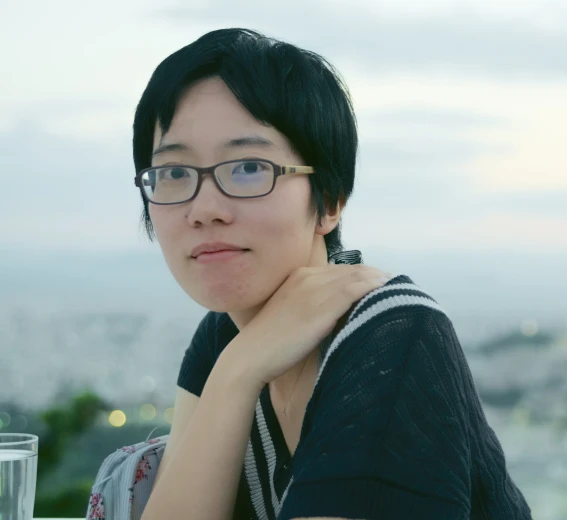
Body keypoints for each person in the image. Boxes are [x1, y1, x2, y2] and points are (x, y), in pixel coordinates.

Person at [134, 28, 532, 520]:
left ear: (330, 202)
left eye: (248, 168)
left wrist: (237, 370)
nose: (204, 208)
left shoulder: (392, 340)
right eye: (174, 173)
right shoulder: (225, 336)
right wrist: (238, 372)